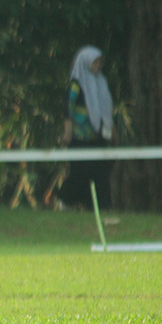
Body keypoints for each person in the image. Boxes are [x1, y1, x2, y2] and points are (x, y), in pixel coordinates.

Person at [60, 45, 116, 210]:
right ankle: (65, 200)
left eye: (100, 63)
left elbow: (106, 110)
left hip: (97, 137)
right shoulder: (76, 85)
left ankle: (100, 207)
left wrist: (112, 131)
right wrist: (68, 131)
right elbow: (67, 108)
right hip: (79, 138)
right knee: (80, 172)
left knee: (100, 173)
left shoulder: (102, 83)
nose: (98, 67)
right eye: (94, 63)